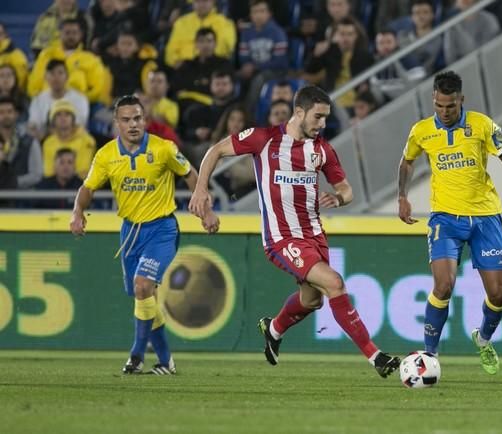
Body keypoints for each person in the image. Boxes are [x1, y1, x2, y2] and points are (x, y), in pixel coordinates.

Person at [188, 85, 401, 378]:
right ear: (298, 112)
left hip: (314, 235)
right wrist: (201, 190)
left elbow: (346, 189)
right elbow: (216, 151)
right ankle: (376, 357)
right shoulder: (264, 139)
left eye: (326, 118)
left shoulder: (321, 149)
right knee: (335, 283)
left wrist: (338, 198)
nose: (322, 124)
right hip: (281, 238)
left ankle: (273, 328)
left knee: (312, 300)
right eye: (317, 117)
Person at [397, 71, 502, 375]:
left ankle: (483, 340)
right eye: (439, 106)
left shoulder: (482, 125)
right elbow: (407, 161)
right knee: (444, 285)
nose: (444, 112)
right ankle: (428, 357)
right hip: (445, 218)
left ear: (461, 100)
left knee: (498, 295)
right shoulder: (421, 131)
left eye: (450, 106)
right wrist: (402, 196)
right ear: (433, 101)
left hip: (486, 217)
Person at [70, 94, 218, 375]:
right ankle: (166, 361)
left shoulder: (164, 149)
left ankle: (136, 354)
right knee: (143, 296)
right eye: (126, 120)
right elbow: (87, 188)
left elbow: (190, 175)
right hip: (130, 233)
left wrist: (205, 209)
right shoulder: (106, 155)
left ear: (144, 119)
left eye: (137, 118)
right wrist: (77, 212)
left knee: (142, 286)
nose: (133, 125)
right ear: (117, 123)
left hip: (162, 229)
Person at [27, 59, 89, 140]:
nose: (56, 78)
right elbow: (34, 124)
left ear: (67, 76)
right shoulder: (38, 99)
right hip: (45, 140)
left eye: (60, 73)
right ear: (45, 77)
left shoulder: (80, 99)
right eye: (52, 73)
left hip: (74, 140)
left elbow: (79, 124)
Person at [42, 99, 96, 178]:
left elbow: (84, 172)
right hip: (54, 187)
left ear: (73, 119)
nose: (63, 118)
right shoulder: (48, 143)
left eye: (67, 114)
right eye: (58, 115)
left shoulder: (87, 140)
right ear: (53, 120)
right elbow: (48, 172)